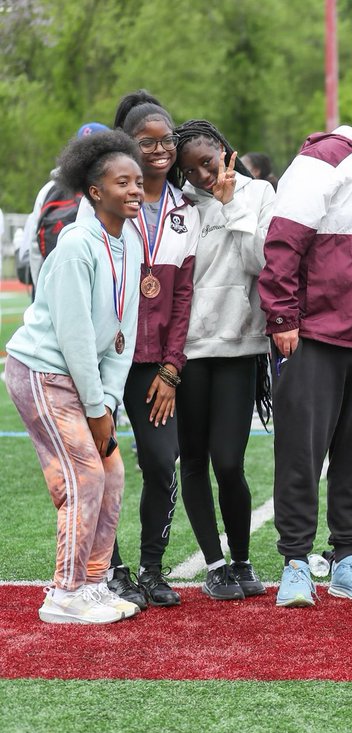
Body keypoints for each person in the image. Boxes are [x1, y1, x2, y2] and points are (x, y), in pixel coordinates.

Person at [259, 72, 352, 607]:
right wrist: (282, 316)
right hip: (316, 336)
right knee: (301, 455)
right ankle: (296, 564)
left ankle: (347, 560)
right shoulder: (325, 156)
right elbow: (283, 240)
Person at [6, 129, 145, 624]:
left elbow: (123, 333)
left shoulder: (129, 242)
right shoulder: (76, 245)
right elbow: (76, 336)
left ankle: (93, 583)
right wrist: (95, 407)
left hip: (81, 379)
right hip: (42, 372)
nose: (135, 189)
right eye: (122, 183)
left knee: (113, 473)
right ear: (94, 191)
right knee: (83, 475)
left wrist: (108, 401)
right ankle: (64, 595)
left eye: (137, 181)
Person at [85, 92, 199, 610]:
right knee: (102, 466)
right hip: (106, 360)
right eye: (145, 142)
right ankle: (110, 569)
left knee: (160, 463)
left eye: (166, 140)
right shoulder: (105, 204)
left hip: (155, 364)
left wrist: (172, 367)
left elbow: (183, 296)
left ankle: (152, 568)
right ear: (126, 146)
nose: (159, 150)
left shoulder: (186, 209)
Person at [170, 119, 275, 601]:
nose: (202, 176)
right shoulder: (181, 206)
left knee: (229, 462)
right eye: (190, 171)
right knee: (193, 460)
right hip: (189, 353)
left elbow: (263, 264)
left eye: (208, 163)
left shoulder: (259, 193)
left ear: (223, 151)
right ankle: (215, 565)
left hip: (240, 346)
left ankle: (242, 559)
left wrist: (231, 204)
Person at [18, 122, 111, 297]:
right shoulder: (115, 186)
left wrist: (41, 294)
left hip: (55, 289)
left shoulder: (49, 190)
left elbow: (35, 249)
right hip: (95, 290)